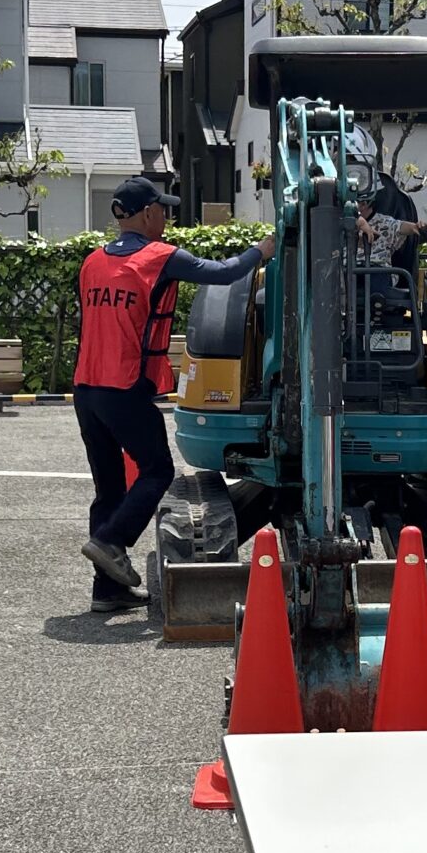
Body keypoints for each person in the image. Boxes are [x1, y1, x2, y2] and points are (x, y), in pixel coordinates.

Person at [73, 177, 273, 612]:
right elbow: (224, 274)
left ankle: (107, 590)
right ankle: (111, 540)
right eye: (162, 209)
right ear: (148, 213)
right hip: (124, 386)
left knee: (108, 489)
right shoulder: (159, 257)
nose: (166, 216)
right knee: (157, 470)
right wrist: (262, 250)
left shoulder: (92, 262)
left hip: (86, 388)